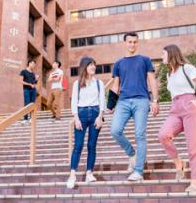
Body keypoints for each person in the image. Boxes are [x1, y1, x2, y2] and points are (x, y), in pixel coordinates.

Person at [158, 44, 196, 192]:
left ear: (171, 54)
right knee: (163, 135)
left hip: (190, 106)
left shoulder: (187, 68)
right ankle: (179, 162)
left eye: (163, 54)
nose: (161, 57)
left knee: (193, 146)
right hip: (175, 109)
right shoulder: (169, 74)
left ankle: (194, 183)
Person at [108, 32, 159, 182]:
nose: (132, 44)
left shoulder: (145, 60)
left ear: (138, 43)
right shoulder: (118, 63)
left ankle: (138, 170)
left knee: (140, 135)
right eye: (129, 42)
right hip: (123, 101)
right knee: (115, 130)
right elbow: (116, 85)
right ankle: (132, 154)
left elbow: (152, 81)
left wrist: (155, 100)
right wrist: (110, 105)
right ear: (125, 43)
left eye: (135, 42)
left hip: (141, 101)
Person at [66, 57, 105, 189]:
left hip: (95, 114)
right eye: (90, 65)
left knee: (91, 145)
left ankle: (89, 173)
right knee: (78, 145)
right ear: (85, 67)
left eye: (94, 65)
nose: (93, 67)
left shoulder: (99, 83)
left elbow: (102, 101)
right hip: (81, 114)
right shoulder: (77, 84)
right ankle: (72, 175)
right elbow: (74, 102)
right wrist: (76, 118)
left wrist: (100, 116)